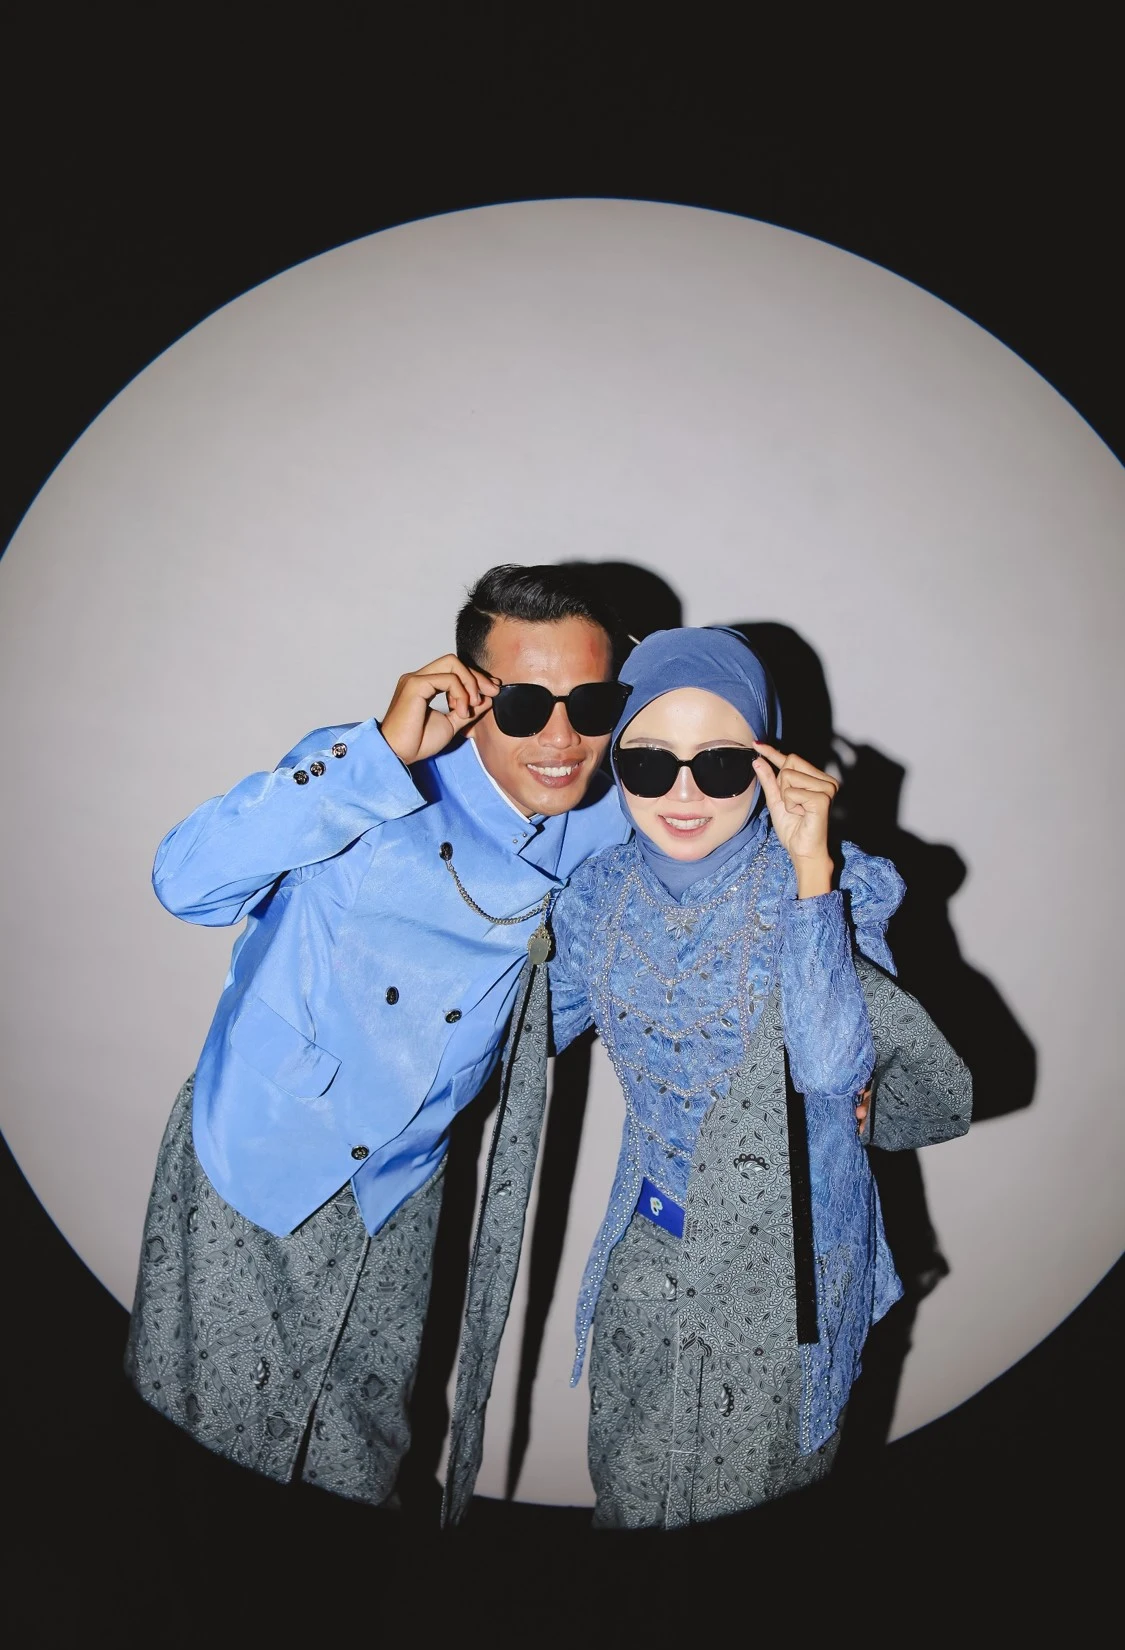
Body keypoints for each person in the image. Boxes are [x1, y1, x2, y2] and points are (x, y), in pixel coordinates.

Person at [124, 563, 635, 1506]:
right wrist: (375, 756)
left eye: (592, 703)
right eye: (527, 704)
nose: (562, 738)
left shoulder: (613, 824)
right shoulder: (373, 770)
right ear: (472, 693)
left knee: (356, 1466)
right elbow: (185, 884)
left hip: (400, 1190)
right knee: (199, 1459)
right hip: (257, 1157)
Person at [443, 625, 971, 1529]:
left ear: (767, 763)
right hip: (647, 1258)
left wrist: (811, 873)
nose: (682, 794)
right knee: (628, 1523)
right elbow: (516, 1037)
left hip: (786, 1278)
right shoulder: (598, 894)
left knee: (749, 1562)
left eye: (720, 766)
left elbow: (830, 1069)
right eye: (649, 764)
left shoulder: (834, 889)